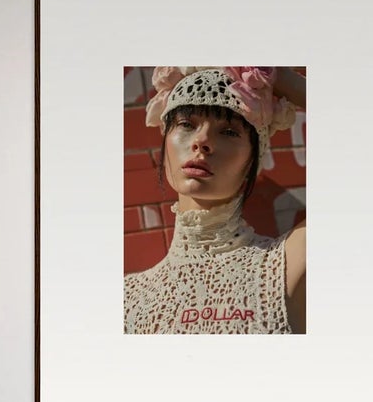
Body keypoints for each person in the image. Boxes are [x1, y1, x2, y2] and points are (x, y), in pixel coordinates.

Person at [124, 66, 306, 335]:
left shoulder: (286, 265)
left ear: (252, 160)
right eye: (186, 124)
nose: (202, 141)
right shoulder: (128, 298)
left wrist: (274, 73)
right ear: (165, 145)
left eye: (229, 131)